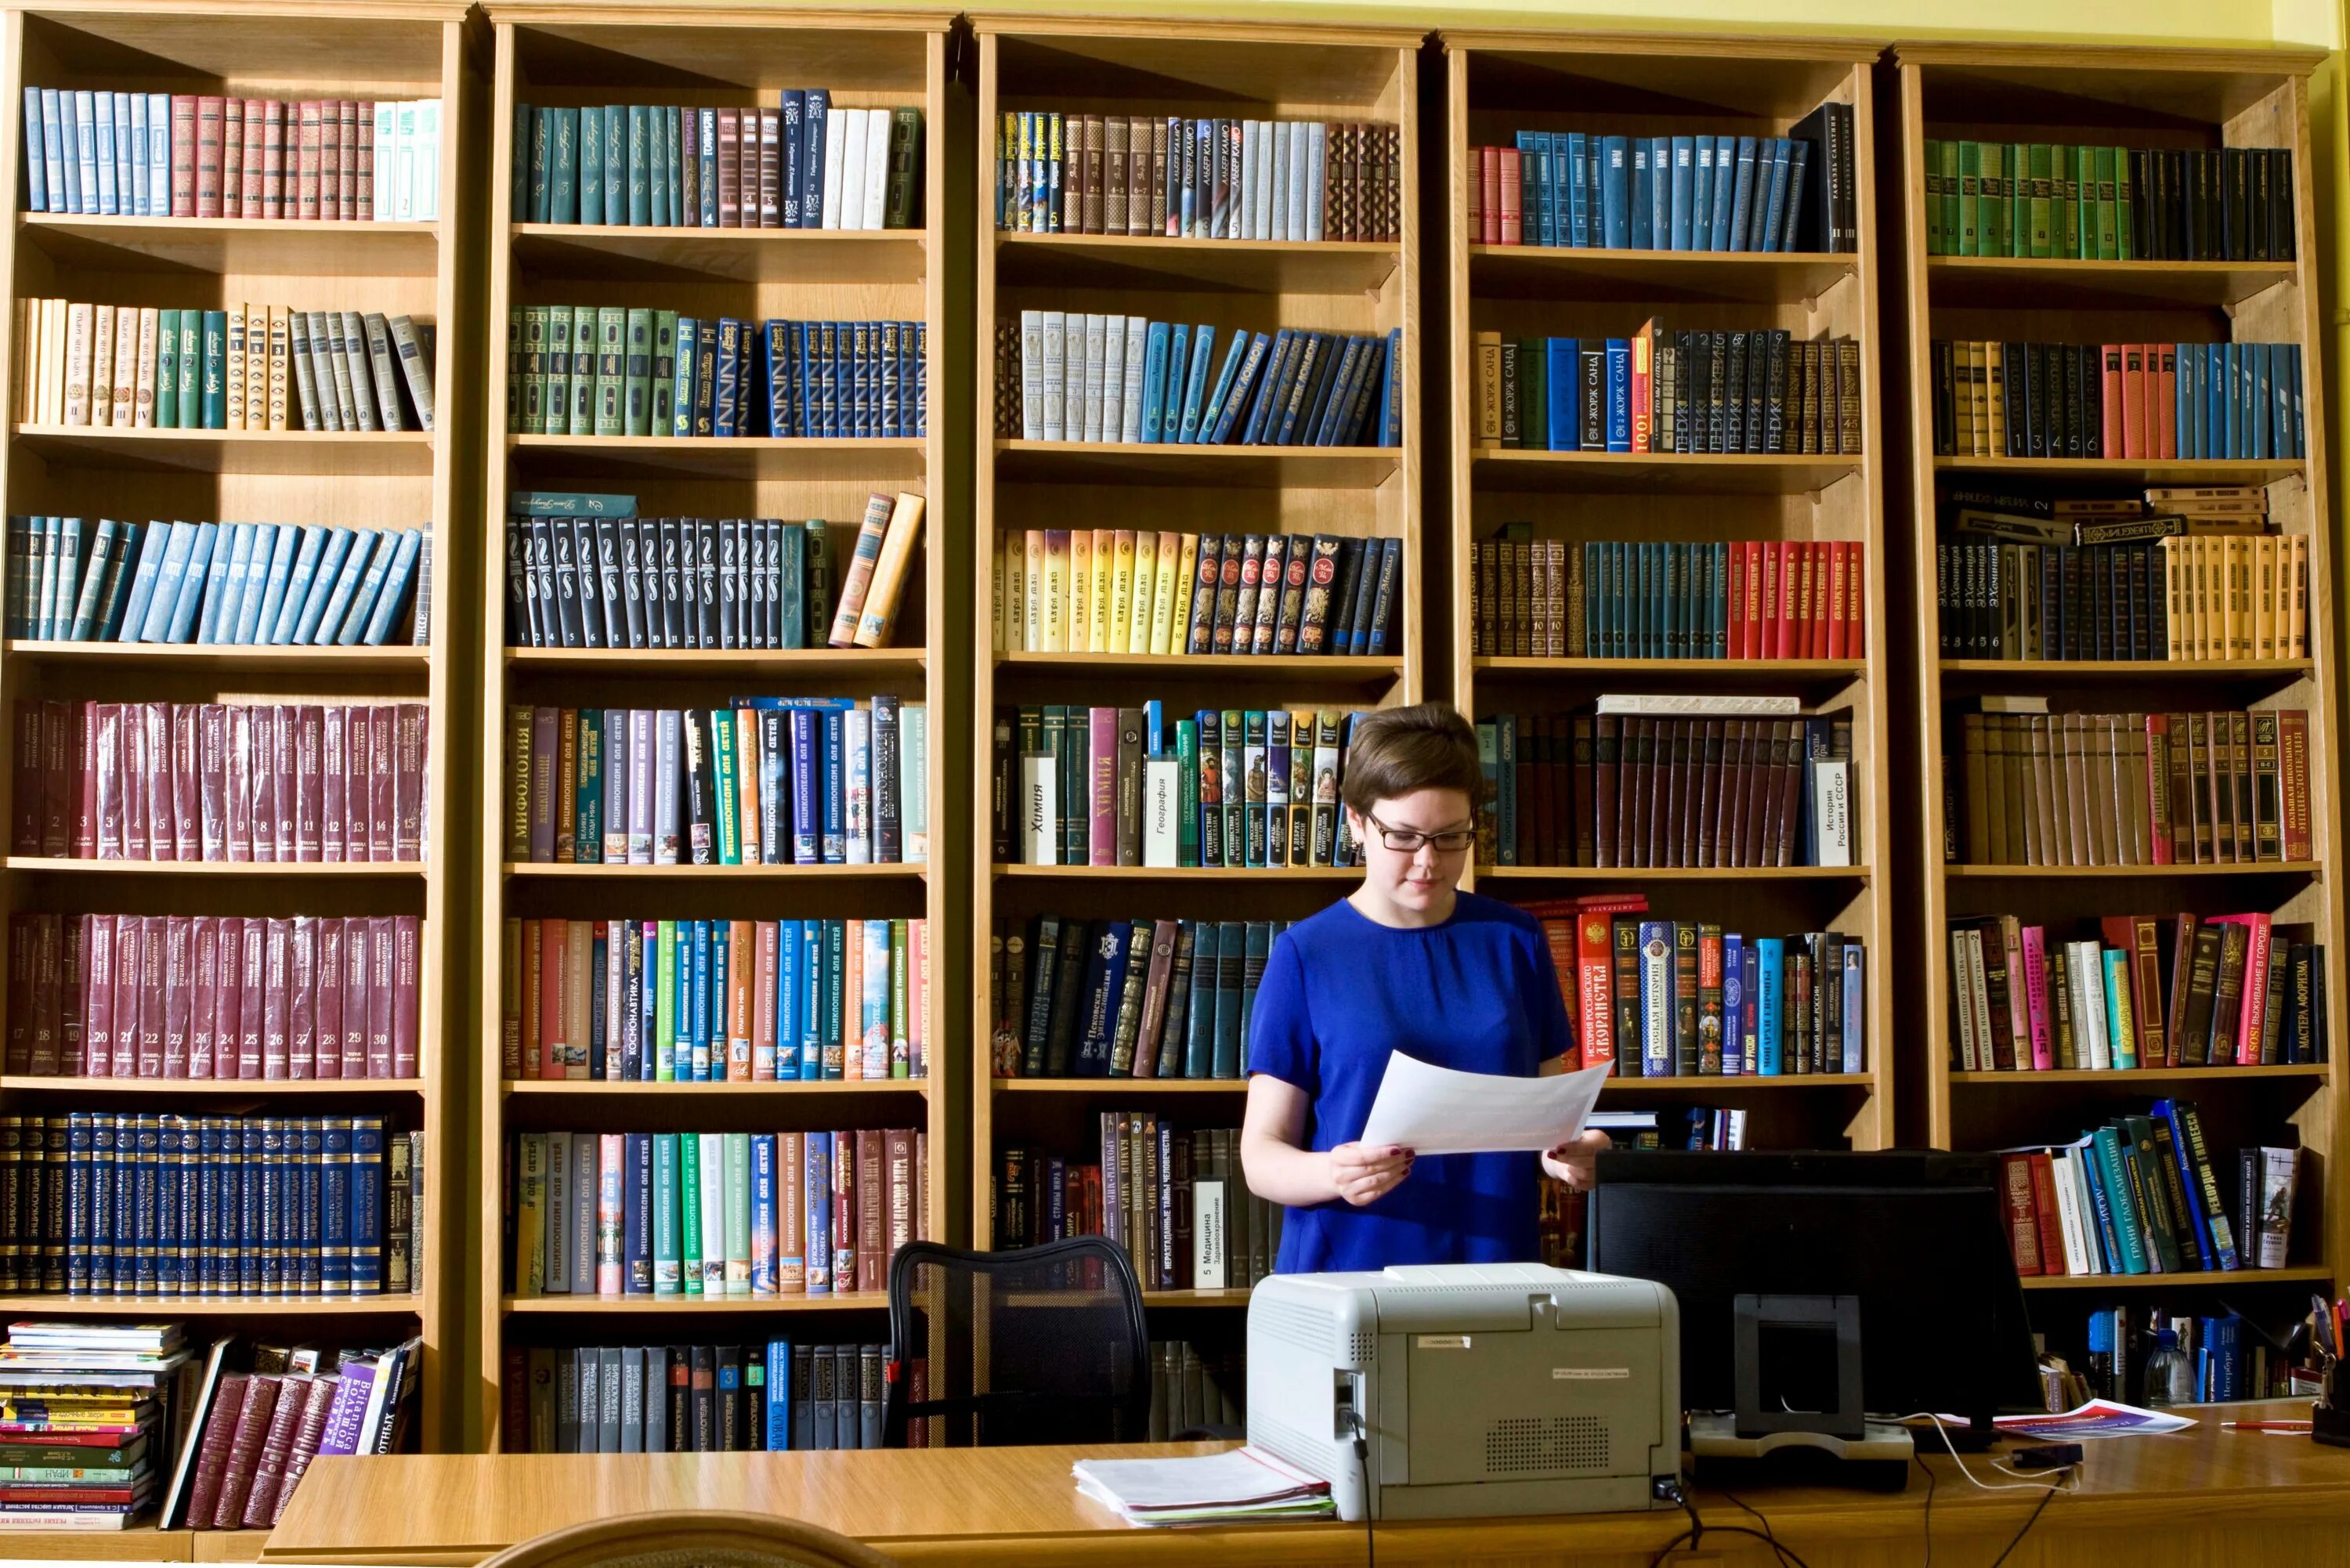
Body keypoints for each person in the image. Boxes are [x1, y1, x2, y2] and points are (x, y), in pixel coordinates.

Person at [1241, 701, 1607, 1273]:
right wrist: (1331, 1172)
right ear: (1358, 823)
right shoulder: (1306, 954)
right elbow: (1260, 1155)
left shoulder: (1515, 940)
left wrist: (1572, 1157)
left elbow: (1544, 1125)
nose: (1429, 862)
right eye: (1405, 837)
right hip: (1350, 1271)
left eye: (1450, 837)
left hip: (1495, 1265)